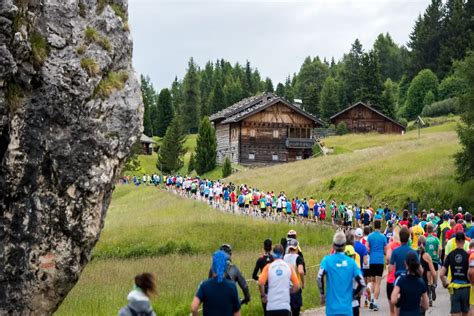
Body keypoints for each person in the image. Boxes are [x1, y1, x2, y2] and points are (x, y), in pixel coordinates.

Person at [317, 231, 365, 316]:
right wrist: (354, 295)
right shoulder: (351, 262)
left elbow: (319, 277)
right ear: (344, 245)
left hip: (332, 308)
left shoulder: (327, 260)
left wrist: (322, 294)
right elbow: (362, 282)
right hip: (347, 308)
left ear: (333, 245)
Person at [192, 251, 241, 316]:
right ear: (225, 267)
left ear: (213, 266)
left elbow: (194, 307)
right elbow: (237, 313)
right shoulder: (232, 287)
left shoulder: (204, 285)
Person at [258, 244, 300, 316]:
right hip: (285, 307)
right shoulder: (289, 267)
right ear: (283, 253)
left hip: (271, 307)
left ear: (273, 254)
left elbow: (260, 283)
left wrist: (263, 295)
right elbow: (297, 286)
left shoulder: (268, 267)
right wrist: (288, 291)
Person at [440, 232, 470, 316]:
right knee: (466, 312)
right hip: (466, 289)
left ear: (455, 241)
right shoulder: (468, 256)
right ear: (464, 242)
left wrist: (446, 284)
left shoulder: (450, 255)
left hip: (454, 289)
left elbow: (441, 274)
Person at [390, 252, 429, 316]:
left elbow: (393, 300)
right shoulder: (421, 282)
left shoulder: (401, 280)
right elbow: (426, 306)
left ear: (405, 263)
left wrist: (400, 298)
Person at [366, 220, 387, 311]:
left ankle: (371, 300)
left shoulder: (370, 237)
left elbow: (366, 248)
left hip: (372, 261)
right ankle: (375, 303)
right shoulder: (383, 237)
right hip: (379, 261)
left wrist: (371, 252)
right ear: (380, 226)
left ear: (374, 226)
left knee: (373, 281)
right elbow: (386, 251)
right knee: (378, 283)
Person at [252, 239, 274, 315]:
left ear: (264, 247)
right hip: (274, 286)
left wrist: (261, 278)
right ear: (271, 247)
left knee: (266, 312)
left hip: (264, 287)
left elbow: (254, 275)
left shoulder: (260, 259)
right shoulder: (274, 259)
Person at [283, 239, 305, 316]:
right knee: (295, 312)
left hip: (285, 288)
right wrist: (303, 283)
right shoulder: (298, 258)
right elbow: (301, 271)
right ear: (296, 248)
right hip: (295, 288)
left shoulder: (284, 257)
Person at [417, 235, 437, 307]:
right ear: (426, 244)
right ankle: (430, 295)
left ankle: (430, 296)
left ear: (417, 244)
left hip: (416, 283)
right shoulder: (427, 255)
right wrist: (434, 283)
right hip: (424, 284)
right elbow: (434, 273)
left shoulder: (414, 254)